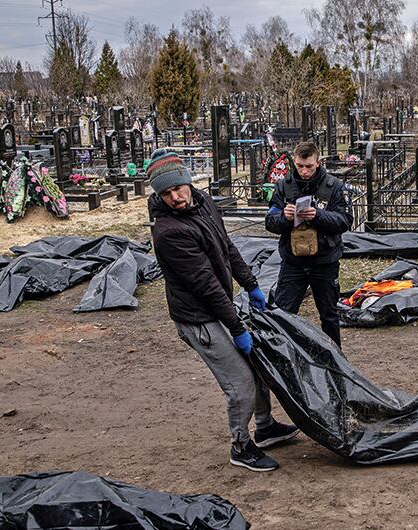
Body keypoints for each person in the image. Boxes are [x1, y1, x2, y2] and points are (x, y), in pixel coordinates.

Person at [147, 149, 299, 473]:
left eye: (178, 188)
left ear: (188, 181)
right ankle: (241, 446)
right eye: (167, 193)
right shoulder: (168, 232)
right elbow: (206, 285)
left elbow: (227, 247)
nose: (175, 197)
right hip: (199, 319)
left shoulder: (202, 202)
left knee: (258, 365)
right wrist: (238, 328)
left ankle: (266, 426)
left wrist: (251, 284)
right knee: (240, 382)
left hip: (218, 307)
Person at [265, 141, 353, 345]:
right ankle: (284, 357)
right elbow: (270, 222)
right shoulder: (283, 186)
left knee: (329, 316)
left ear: (318, 162)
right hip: (293, 262)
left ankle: (335, 361)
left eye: (309, 166)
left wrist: (318, 215)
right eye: (299, 166)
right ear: (294, 162)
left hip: (324, 261)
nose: (304, 171)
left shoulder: (333, 186)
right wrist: (284, 218)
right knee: (283, 315)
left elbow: (345, 220)